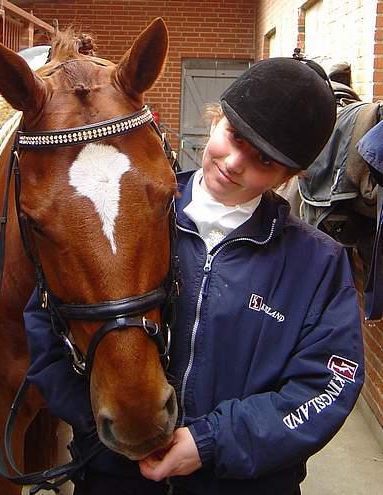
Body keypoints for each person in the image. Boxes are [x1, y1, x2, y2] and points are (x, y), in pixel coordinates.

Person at [24, 57, 364, 495]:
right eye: (234, 136)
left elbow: (326, 386)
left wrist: (210, 443)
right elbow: (45, 322)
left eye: (264, 160)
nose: (236, 163)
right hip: (114, 476)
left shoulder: (317, 263)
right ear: (216, 119)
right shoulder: (125, 210)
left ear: (289, 176)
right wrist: (112, 420)